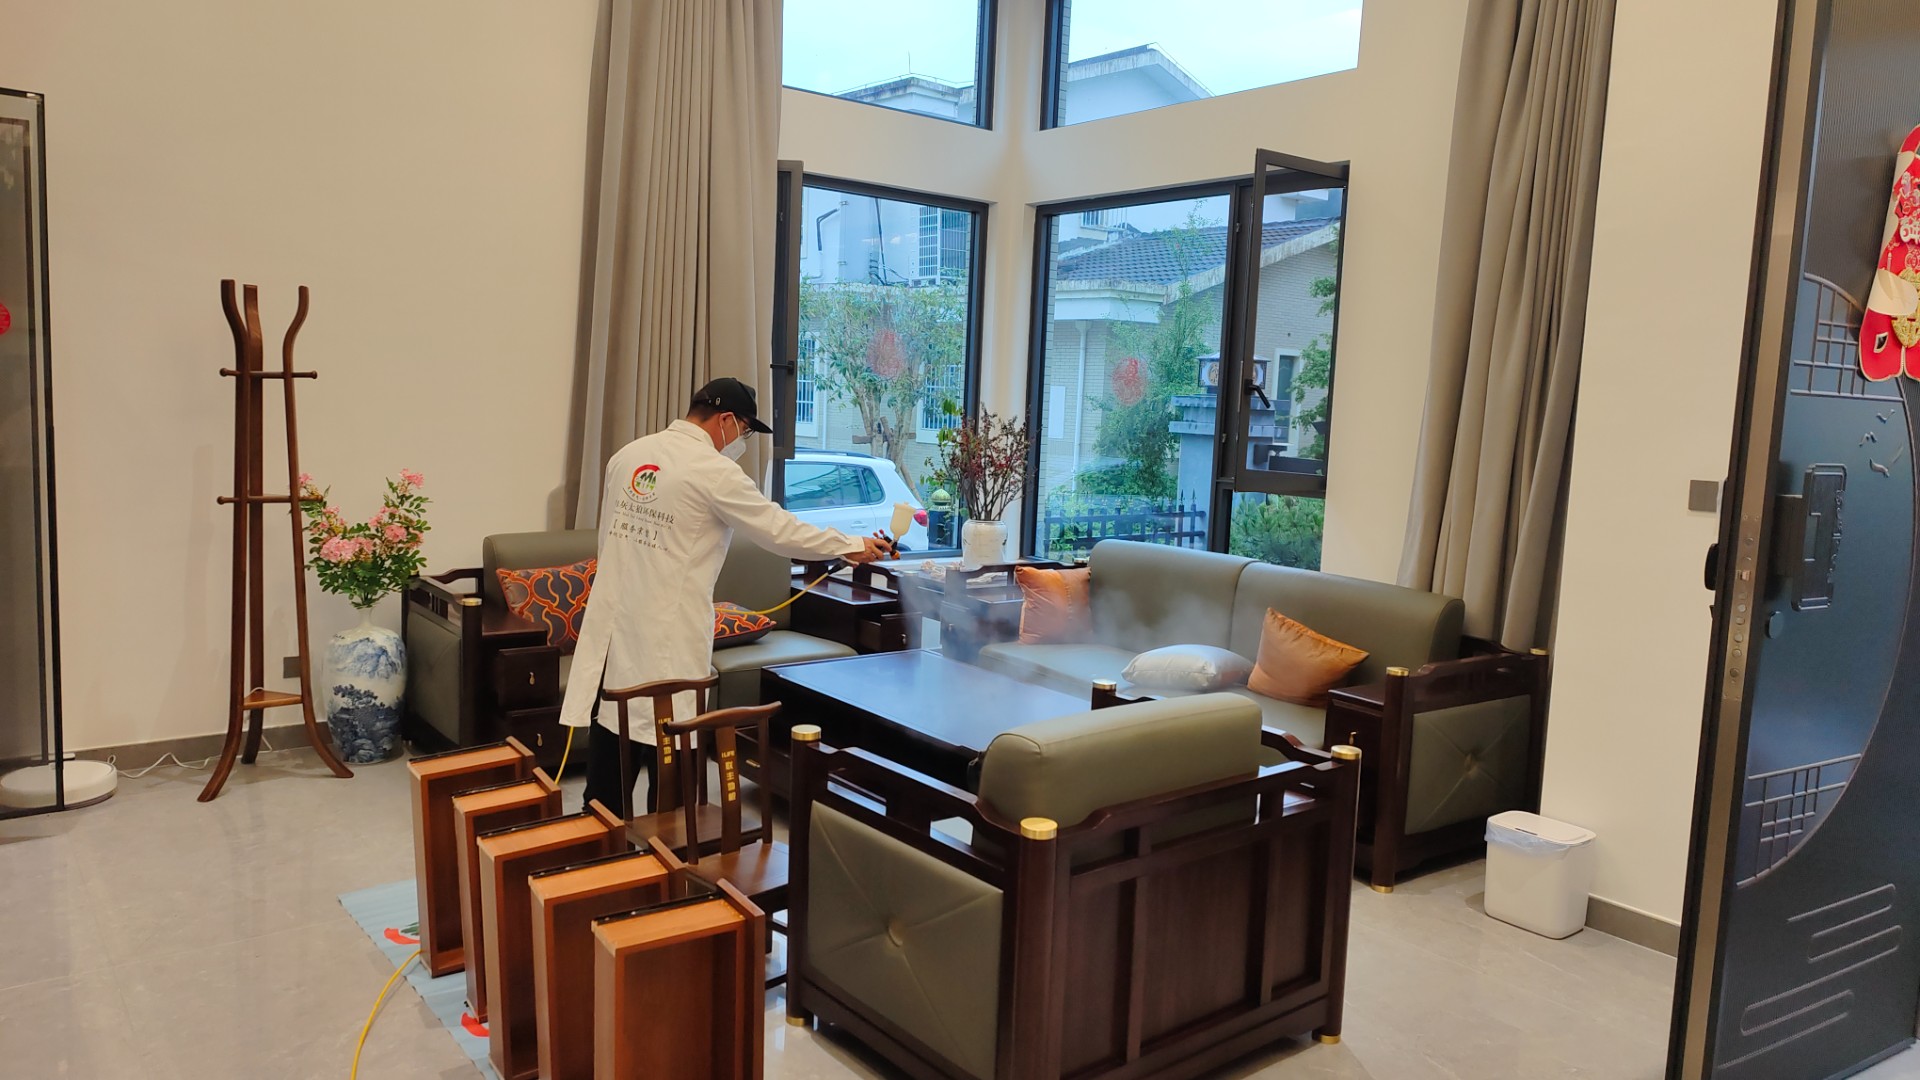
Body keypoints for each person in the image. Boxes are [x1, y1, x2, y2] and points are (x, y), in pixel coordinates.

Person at [560, 377, 892, 816]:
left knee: (614, 728)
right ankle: (670, 840)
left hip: (618, 627)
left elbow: (609, 543)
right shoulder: (713, 471)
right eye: (745, 431)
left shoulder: (628, 456)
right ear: (726, 420)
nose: (741, 441)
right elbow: (777, 529)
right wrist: (848, 544)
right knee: (671, 751)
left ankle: (599, 831)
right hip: (670, 632)